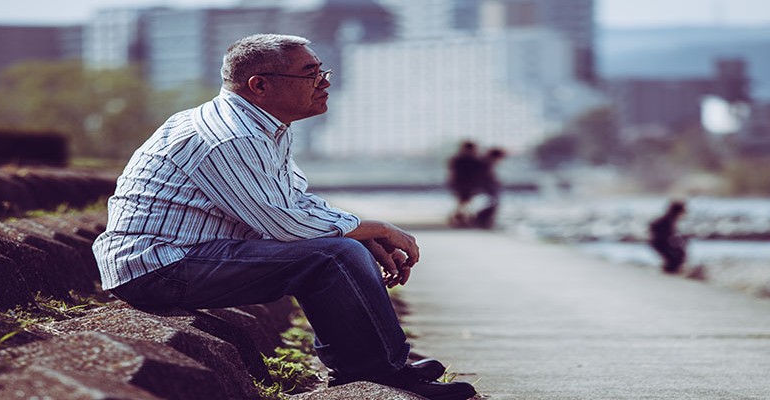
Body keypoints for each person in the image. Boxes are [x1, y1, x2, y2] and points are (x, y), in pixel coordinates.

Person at [91, 34, 475, 400]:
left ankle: (382, 362)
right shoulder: (230, 136)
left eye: (322, 71)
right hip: (160, 267)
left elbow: (294, 201)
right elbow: (283, 224)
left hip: (189, 255)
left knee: (342, 247)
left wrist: (362, 232)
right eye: (310, 74)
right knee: (333, 256)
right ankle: (375, 371)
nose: (323, 82)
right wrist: (376, 229)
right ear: (259, 86)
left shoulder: (264, 127)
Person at [446, 140, 482, 227]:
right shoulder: (474, 160)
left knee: (463, 203)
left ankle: (460, 219)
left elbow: (452, 173)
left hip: (464, 185)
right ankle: (461, 219)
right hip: (465, 185)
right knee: (464, 203)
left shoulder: (458, 159)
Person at [648, 199, 688, 274]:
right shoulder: (669, 219)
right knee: (676, 257)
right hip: (659, 242)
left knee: (677, 256)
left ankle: (669, 271)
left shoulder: (670, 218)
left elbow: (653, 226)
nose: (685, 213)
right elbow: (654, 226)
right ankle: (670, 272)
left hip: (659, 242)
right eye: (683, 210)